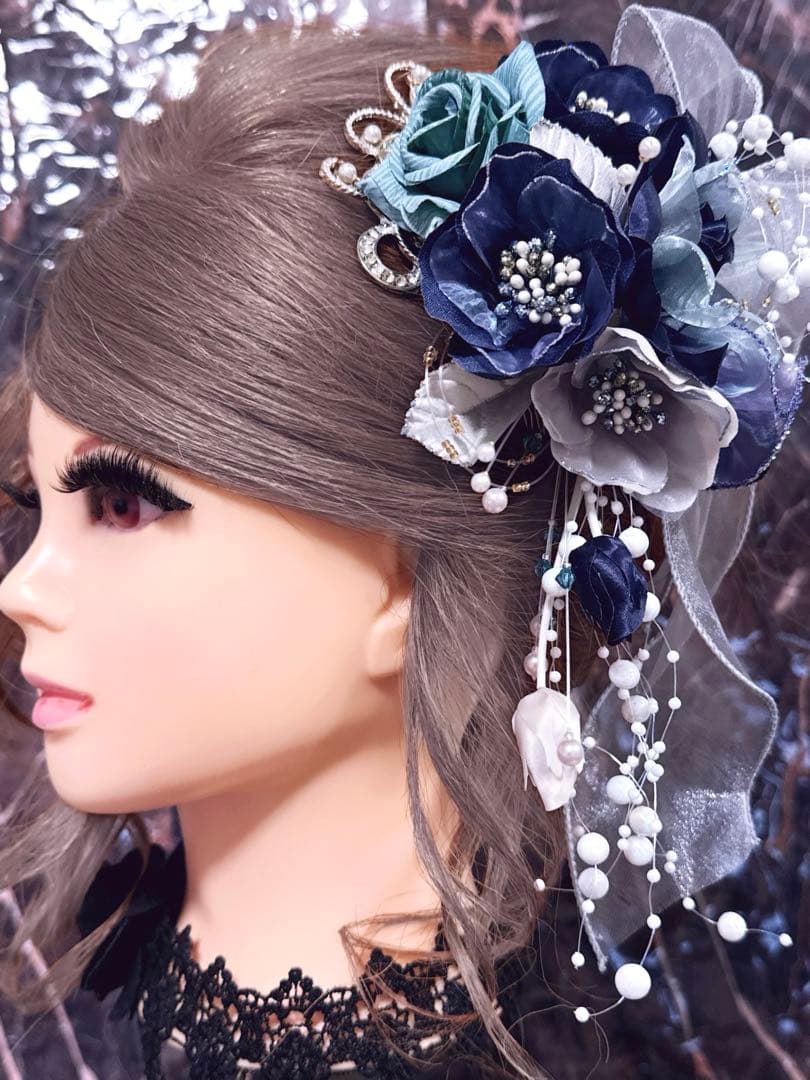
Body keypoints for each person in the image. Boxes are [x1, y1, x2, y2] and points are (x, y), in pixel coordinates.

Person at [0, 8, 802, 1078]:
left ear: (402, 572)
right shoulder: (70, 990)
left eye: (120, 503)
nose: (20, 588)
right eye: (35, 504)